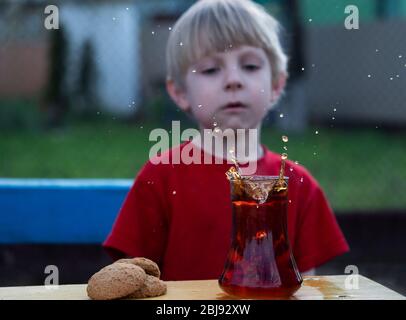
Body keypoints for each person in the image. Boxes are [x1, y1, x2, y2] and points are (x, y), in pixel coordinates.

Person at [103, 0, 349, 281]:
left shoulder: (299, 186)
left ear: (277, 85)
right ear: (180, 92)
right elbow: (131, 282)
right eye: (210, 70)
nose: (233, 80)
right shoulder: (160, 177)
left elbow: (308, 288)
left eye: (250, 66)